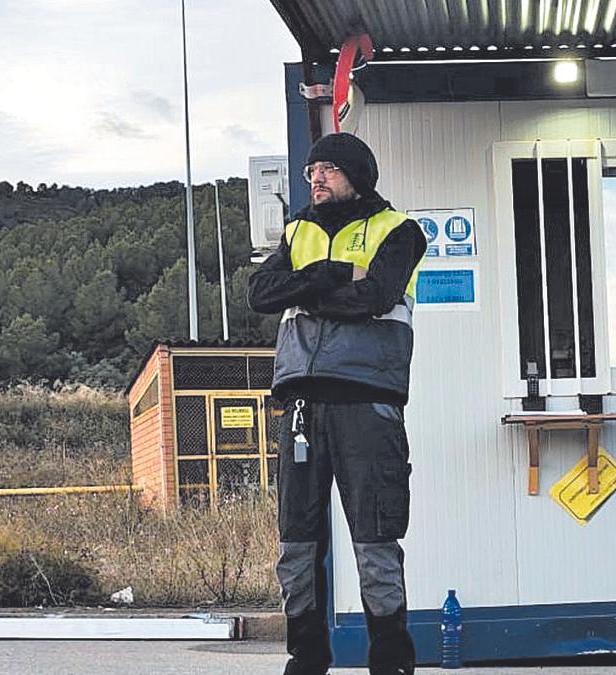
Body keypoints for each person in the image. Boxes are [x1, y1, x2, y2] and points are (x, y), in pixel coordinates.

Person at [248, 132, 426, 675]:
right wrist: (326, 275)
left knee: (375, 535)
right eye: (310, 172)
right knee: (296, 538)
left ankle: (390, 660)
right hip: (301, 404)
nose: (315, 179)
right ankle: (306, 656)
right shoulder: (297, 230)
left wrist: (302, 289)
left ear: (357, 174)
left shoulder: (399, 231)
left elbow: (373, 297)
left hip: (366, 401)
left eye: (326, 169)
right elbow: (259, 295)